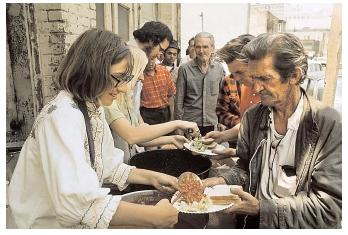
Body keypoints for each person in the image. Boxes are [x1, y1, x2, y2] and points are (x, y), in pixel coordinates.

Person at [8, 29, 179, 228]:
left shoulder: (92, 110)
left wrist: (153, 177)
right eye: (118, 78)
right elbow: (77, 205)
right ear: (92, 70)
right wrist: (155, 216)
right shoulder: (62, 117)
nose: (124, 88)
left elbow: (108, 166)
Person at [203, 32, 341, 228]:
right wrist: (221, 180)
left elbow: (329, 208)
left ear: (294, 75)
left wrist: (262, 208)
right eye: (253, 78)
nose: (257, 88)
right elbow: (245, 167)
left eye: (265, 79)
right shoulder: (253, 117)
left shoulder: (327, 125)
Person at [104, 46, 193, 163]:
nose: (142, 77)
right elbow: (132, 136)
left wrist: (172, 139)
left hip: (126, 165)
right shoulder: (110, 102)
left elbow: (141, 137)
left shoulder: (126, 99)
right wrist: (177, 124)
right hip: (114, 170)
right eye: (139, 72)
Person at [206, 34, 259, 156]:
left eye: (240, 72)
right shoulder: (246, 87)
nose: (236, 79)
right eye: (233, 74)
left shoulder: (271, 94)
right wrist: (223, 136)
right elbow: (249, 125)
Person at [175, 32, 225, 136]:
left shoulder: (219, 69)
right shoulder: (184, 69)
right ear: (193, 48)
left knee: (209, 151)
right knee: (189, 152)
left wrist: (222, 121)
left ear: (212, 48)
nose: (201, 51)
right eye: (198, 47)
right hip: (190, 122)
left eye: (205, 47)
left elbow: (222, 98)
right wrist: (178, 126)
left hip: (211, 123)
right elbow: (179, 100)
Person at [129, 21, 173, 119]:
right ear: (151, 41)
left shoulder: (140, 58)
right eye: (160, 49)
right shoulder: (128, 56)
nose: (159, 55)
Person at [140, 48, 176, 126]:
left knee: (169, 137)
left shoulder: (164, 71)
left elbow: (171, 95)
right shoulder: (139, 75)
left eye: (152, 59)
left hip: (166, 112)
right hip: (147, 115)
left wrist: (172, 117)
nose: (150, 62)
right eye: (147, 59)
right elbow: (137, 100)